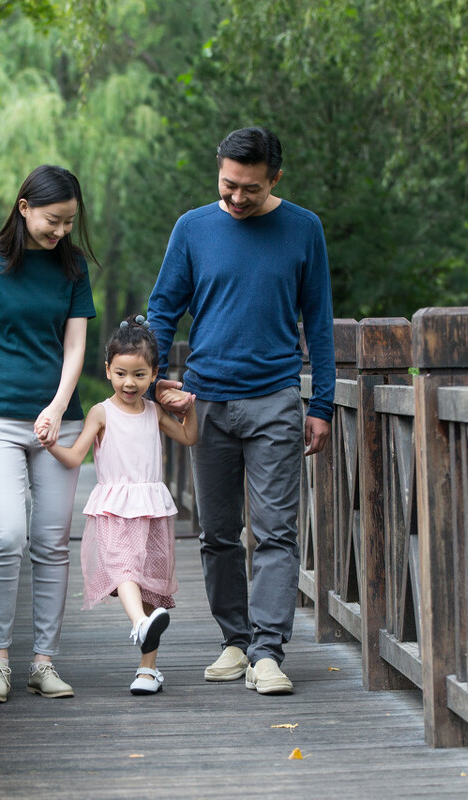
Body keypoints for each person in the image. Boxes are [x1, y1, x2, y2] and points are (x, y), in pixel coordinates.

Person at [146, 126, 336, 695]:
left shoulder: (304, 229)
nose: (234, 198)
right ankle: (234, 641)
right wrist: (153, 382)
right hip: (207, 401)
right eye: (227, 185)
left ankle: (268, 652)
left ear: (274, 178)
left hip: (275, 398)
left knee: (276, 532)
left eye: (248, 189)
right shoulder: (193, 228)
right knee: (218, 532)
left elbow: (320, 324)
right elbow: (162, 311)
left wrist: (321, 402)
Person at [0, 164, 98, 704]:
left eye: (68, 223)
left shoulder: (73, 267)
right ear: (23, 207)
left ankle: (43, 662)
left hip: (58, 423)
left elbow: (76, 347)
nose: (60, 232)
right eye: (53, 221)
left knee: (52, 542)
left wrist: (58, 408)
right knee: (6, 535)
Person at [44, 315, 198, 695]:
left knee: (150, 591)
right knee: (126, 568)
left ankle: (148, 670)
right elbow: (77, 456)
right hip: (115, 508)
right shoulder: (101, 412)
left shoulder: (153, 412)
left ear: (154, 373)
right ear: (108, 370)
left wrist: (188, 406)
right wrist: (51, 446)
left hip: (151, 511)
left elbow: (189, 436)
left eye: (140, 375)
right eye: (122, 373)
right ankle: (139, 624)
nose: (130, 383)